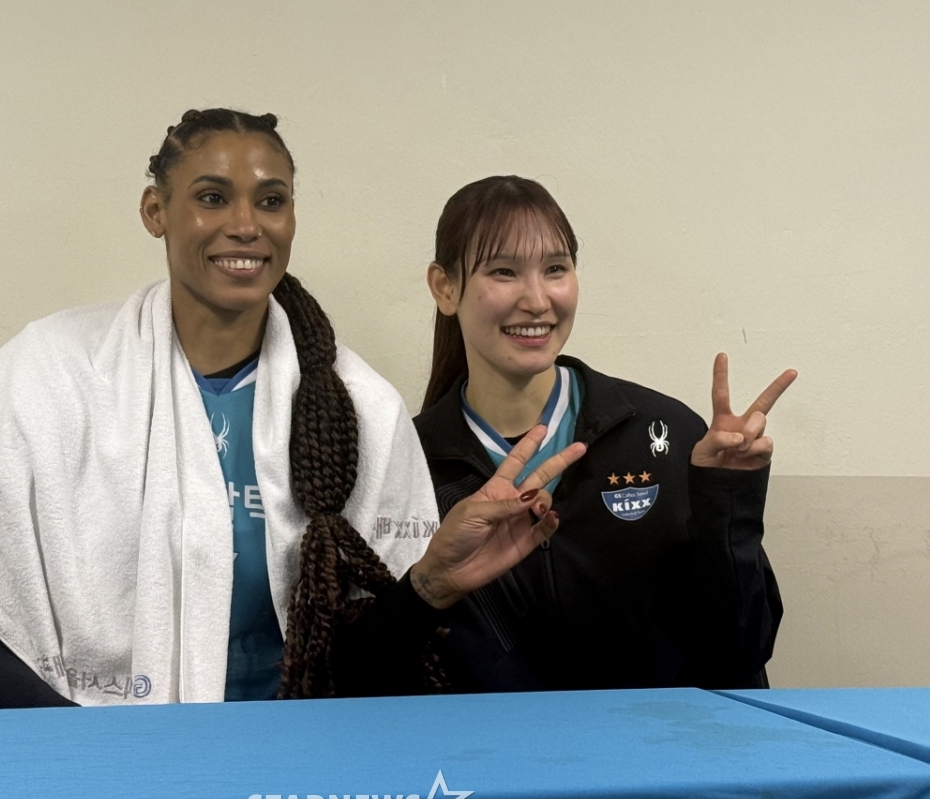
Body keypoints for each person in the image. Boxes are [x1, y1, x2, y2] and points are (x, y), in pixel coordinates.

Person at [0, 111, 582, 708]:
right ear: (154, 211)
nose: (244, 224)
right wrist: (81, 754)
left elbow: (362, 680)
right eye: (211, 197)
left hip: (288, 777)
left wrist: (429, 582)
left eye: (271, 199)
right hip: (80, 768)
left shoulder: (360, 411)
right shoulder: (44, 385)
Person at [336, 175, 794, 696]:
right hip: (488, 767)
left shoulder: (662, 434)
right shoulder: (407, 459)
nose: (536, 300)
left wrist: (727, 500)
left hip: (651, 762)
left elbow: (741, 653)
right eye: (504, 272)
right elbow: (358, 681)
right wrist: (427, 588)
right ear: (445, 287)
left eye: (555, 269)